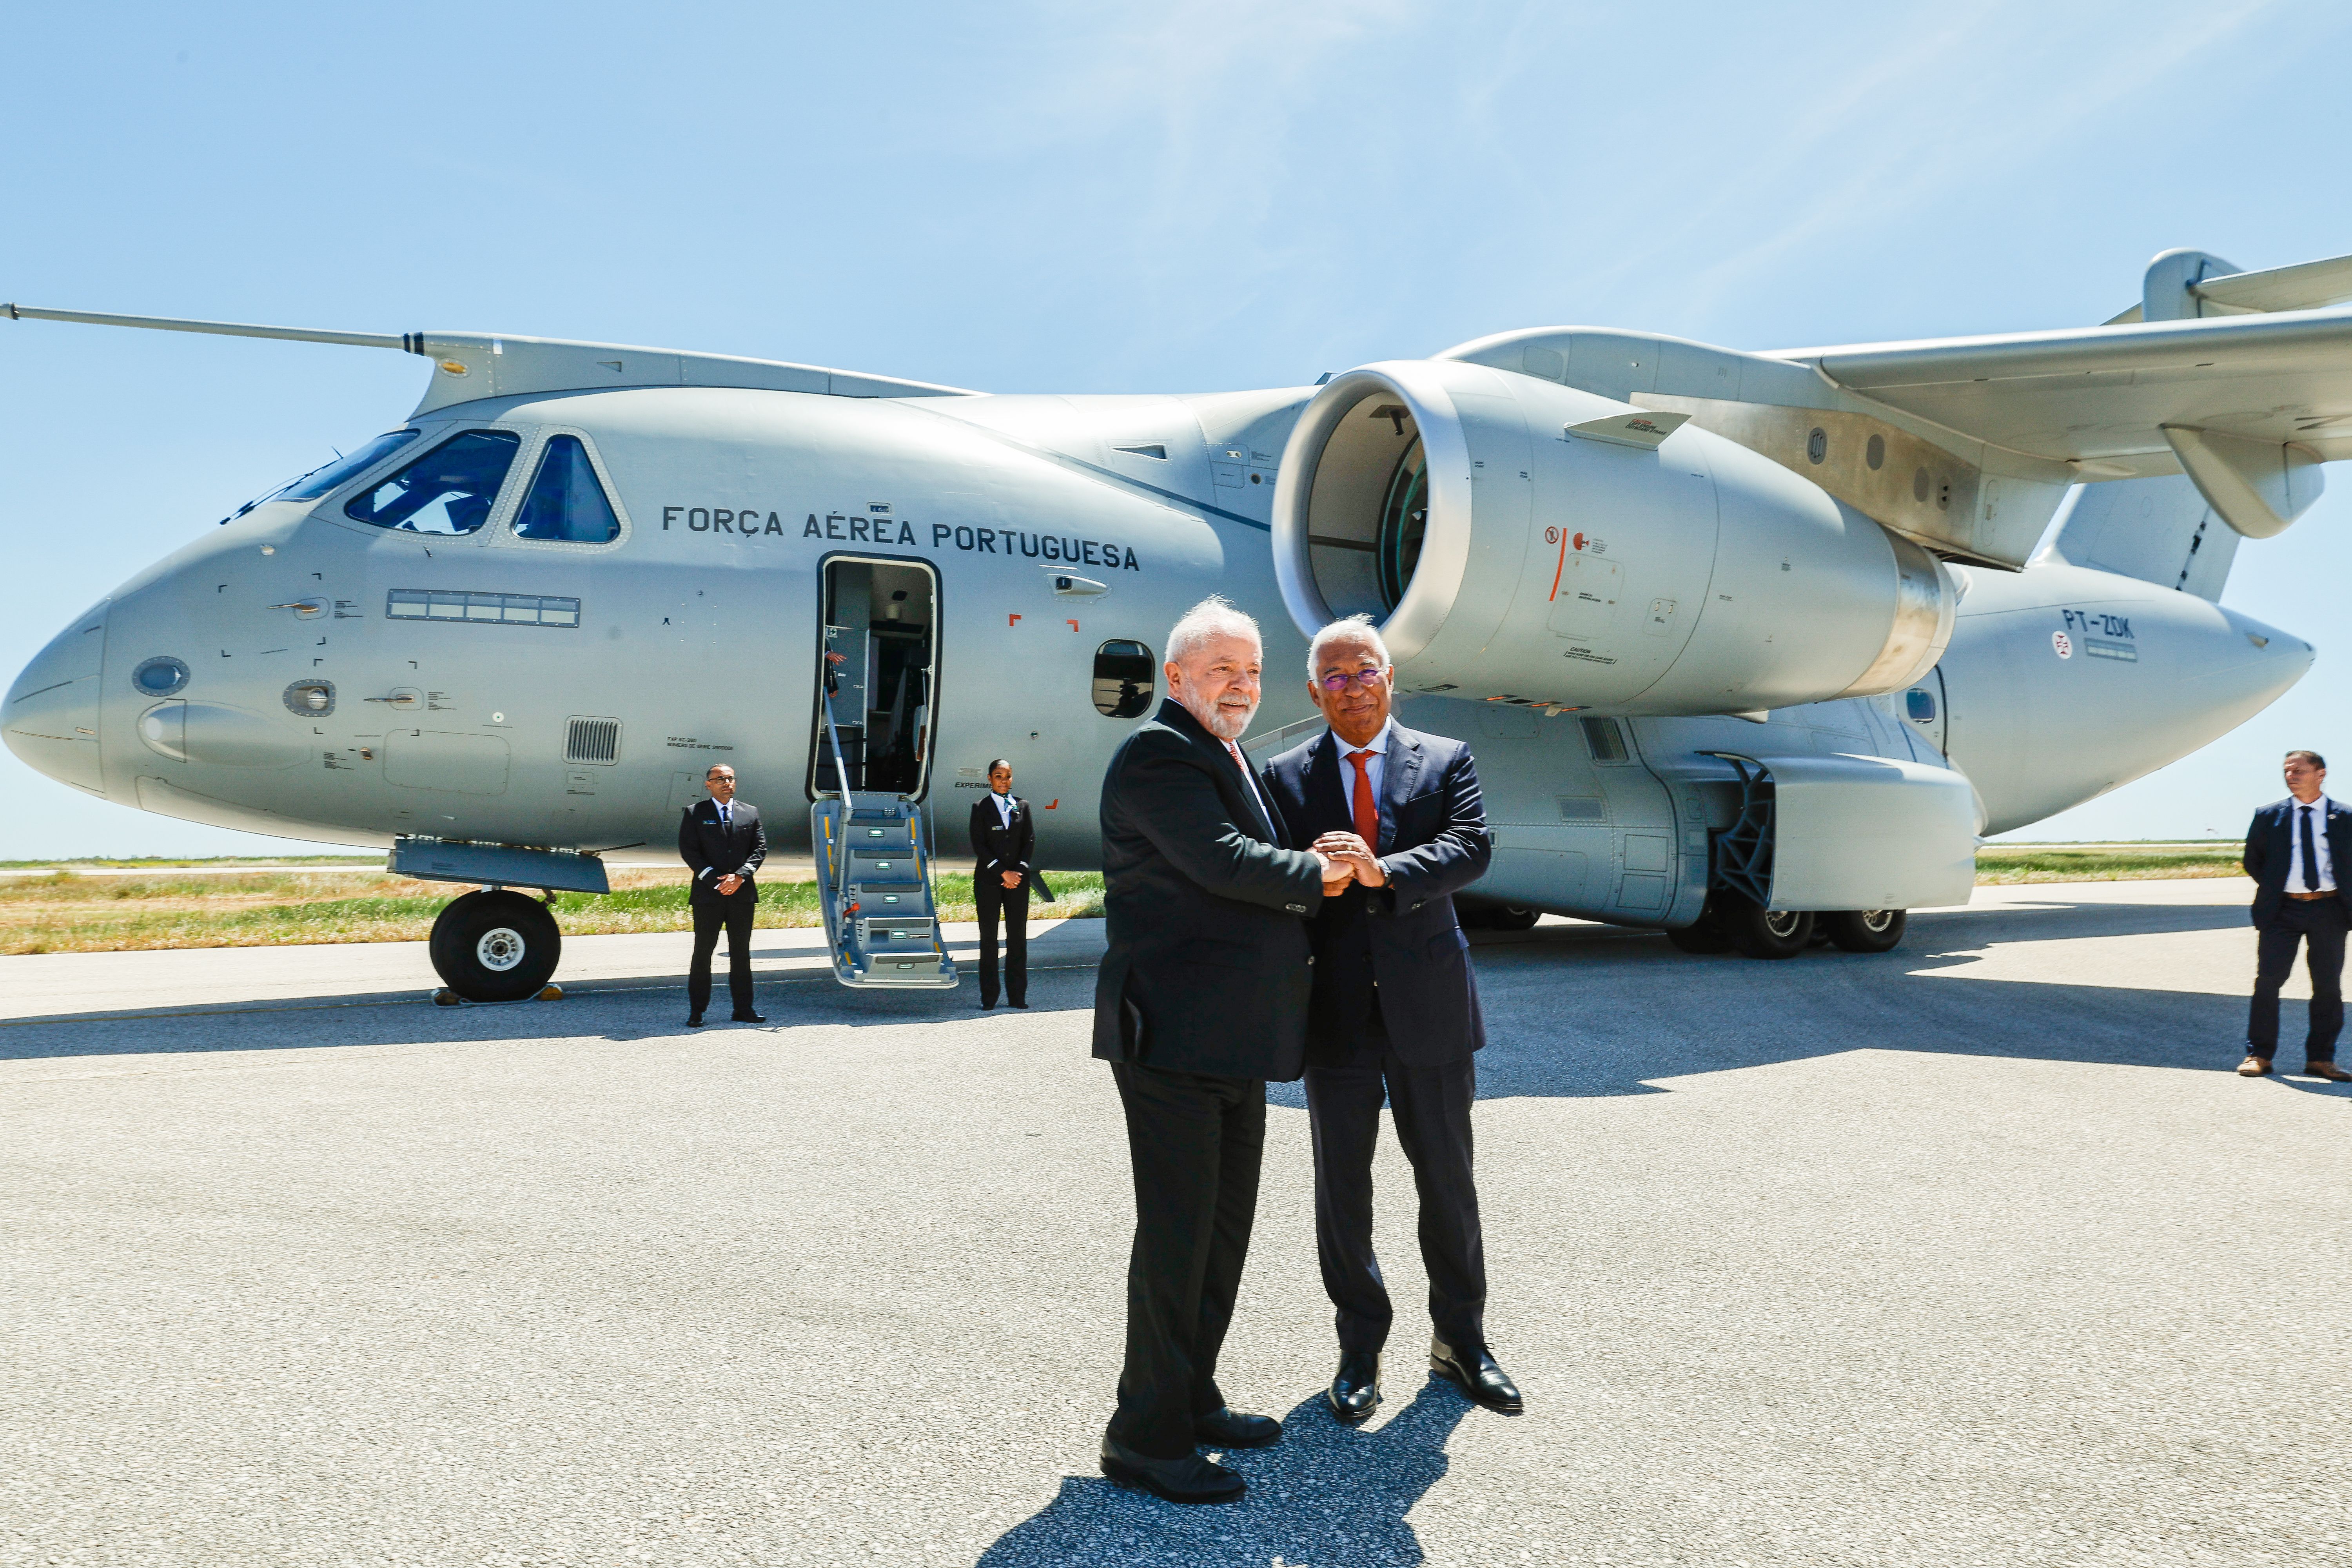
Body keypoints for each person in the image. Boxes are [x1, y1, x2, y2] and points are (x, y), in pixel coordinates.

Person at [1092, 595, 1352, 1505]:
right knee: (1176, 1239)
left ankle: (1190, 1394)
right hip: (1171, 1037)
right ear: (1176, 678)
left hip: (1231, 1038)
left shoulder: (1222, 754)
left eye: (1250, 671)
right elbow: (1224, 861)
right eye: (1220, 671)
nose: (1241, 687)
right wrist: (1322, 872)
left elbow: (1253, 849)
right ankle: (1144, 1436)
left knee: (1219, 1236)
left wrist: (1311, 850)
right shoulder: (1158, 754)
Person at [1261, 613, 1523, 1422]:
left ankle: (1462, 1342)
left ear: (1390, 677)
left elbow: (1472, 847)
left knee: (1448, 1180)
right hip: (1334, 1013)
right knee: (1344, 1190)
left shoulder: (1445, 760)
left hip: (1430, 1008)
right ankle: (1359, 1345)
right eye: (1335, 677)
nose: (1353, 687)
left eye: (1365, 670)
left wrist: (1381, 870)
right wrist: (1316, 873)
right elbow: (1271, 875)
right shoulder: (1282, 775)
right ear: (1315, 691)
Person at [2239, 749, 2352, 1080]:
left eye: (2299, 770)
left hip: (2329, 909)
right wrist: (2279, 887)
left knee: (2328, 987)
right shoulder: (2268, 815)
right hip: (2282, 910)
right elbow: (2253, 860)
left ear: (2321, 774)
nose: (2291, 776)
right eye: (2287, 771)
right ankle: (2259, 1055)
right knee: (2268, 984)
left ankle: (2321, 1060)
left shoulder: (2345, 817)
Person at [679, 763, 767, 1027]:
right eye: (719, 779)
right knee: (703, 952)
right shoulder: (696, 813)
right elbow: (689, 851)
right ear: (708, 785)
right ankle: (697, 1011)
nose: (726, 783)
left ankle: (743, 1009)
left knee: (741, 953)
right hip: (708, 895)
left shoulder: (750, 813)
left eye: (730, 779)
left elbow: (760, 848)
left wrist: (741, 875)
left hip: (742, 894)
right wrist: (714, 880)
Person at [971, 758, 1040, 1010]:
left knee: (1017, 939)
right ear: (990, 779)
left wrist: (1018, 872)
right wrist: (1003, 873)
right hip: (989, 881)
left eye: (1008, 776)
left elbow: (1029, 841)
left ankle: (1017, 997)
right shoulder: (980, 808)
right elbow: (980, 845)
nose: (1004, 781)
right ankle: (989, 998)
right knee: (989, 939)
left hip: (1018, 883)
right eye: (999, 776)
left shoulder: (1023, 806)